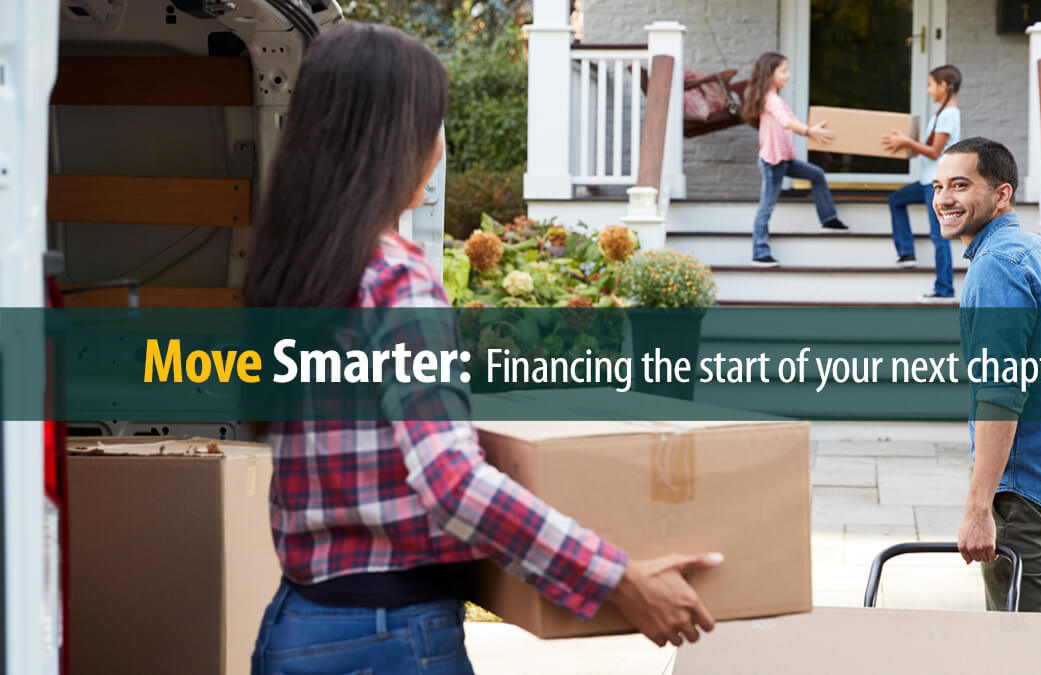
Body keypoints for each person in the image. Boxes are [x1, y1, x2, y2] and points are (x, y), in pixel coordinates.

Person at [243, 23, 722, 674]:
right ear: (398, 142)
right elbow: (453, 482)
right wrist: (618, 576)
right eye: (435, 125)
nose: (441, 146)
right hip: (389, 639)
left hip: (296, 624)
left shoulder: (296, 272)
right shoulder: (396, 280)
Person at [931, 137, 1041, 612]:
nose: (944, 198)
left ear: (1001, 194)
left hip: (1025, 481)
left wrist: (979, 508)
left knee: (1026, 648)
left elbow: (1000, 392)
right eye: (939, 186)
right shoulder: (1037, 250)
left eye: (960, 185)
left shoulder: (997, 267)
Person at [742, 51, 848, 269]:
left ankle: (828, 220)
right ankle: (759, 253)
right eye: (784, 71)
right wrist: (809, 130)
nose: (788, 75)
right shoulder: (770, 100)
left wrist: (811, 131)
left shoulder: (776, 99)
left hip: (785, 160)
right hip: (773, 162)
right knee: (766, 207)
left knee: (817, 175)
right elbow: (785, 122)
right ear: (769, 74)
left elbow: (791, 122)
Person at [882, 65, 963, 302]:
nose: (928, 91)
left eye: (930, 85)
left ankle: (944, 289)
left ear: (944, 86)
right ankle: (907, 253)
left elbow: (935, 151)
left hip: (936, 185)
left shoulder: (949, 115)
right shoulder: (941, 113)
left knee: (939, 235)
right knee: (896, 200)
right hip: (927, 181)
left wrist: (906, 141)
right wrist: (905, 143)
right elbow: (928, 148)